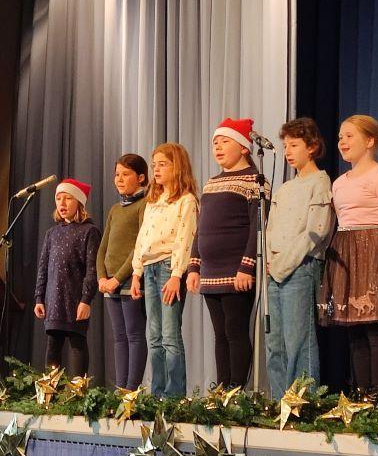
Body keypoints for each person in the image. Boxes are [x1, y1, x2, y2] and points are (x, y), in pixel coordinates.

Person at [318, 115, 378, 406]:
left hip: (374, 257)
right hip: (346, 256)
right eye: (340, 137)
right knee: (354, 331)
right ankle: (361, 393)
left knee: (375, 330)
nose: (342, 142)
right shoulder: (339, 183)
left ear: (369, 141)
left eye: (349, 137)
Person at [188, 118, 269, 388]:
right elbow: (201, 228)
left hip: (236, 271)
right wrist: (194, 266)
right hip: (210, 272)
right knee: (219, 334)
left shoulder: (254, 182)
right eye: (215, 143)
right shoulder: (211, 183)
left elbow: (259, 228)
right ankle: (222, 389)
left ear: (245, 147)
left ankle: (236, 389)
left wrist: (247, 266)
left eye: (225, 142)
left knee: (235, 331)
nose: (218, 147)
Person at [265, 118, 334, 398]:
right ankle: (281, 400)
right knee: (275, 343)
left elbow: (315, 232)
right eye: (285, 146)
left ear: (312, 147)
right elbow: (270, 229)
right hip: (276, 271)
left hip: (300, 269)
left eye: (294, 145)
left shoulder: (320, 182)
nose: (288, 151)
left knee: (298, 341)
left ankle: (303, 403)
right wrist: (271, 261)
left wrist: (283, 264)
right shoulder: (283, 188)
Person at [130, 143, 198, 397]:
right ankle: (157, 391)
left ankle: (174, 394)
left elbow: (185, 239)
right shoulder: (153, 200)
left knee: (170, 335)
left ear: (176, 167)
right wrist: (136, 272)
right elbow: (143, 237)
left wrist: (176, 275)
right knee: (154, 337)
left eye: (163, 164)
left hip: (169, 267)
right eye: (154, 164)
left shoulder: (186, 200)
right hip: (149, 267)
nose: (156, 169)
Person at [34, 179, 101, 376]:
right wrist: (39, 297)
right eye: (58, 199)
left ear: (79, 202)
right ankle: (50, 393)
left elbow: (92, 269)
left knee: (77, 342)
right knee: (53, 344)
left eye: (68, 199)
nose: (62, 204)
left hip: (74, 299)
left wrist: (85, 300)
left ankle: (77, 392)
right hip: (53, 299)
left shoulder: (89, 231)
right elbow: (43, 267)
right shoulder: (52, 233)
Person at [96, 154, 149, 389]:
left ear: (141, 177)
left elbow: (140, 246)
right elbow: (103, 247)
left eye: (125, 174)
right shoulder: (116, 209)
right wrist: (101, 277)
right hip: (109, 282)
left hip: (129, 280)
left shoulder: (144, 205)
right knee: (119, 337)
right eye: (117, 174)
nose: (119, 179)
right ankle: (120, 389)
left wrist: (118, 279)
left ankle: (131, 390)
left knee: (134, 335)